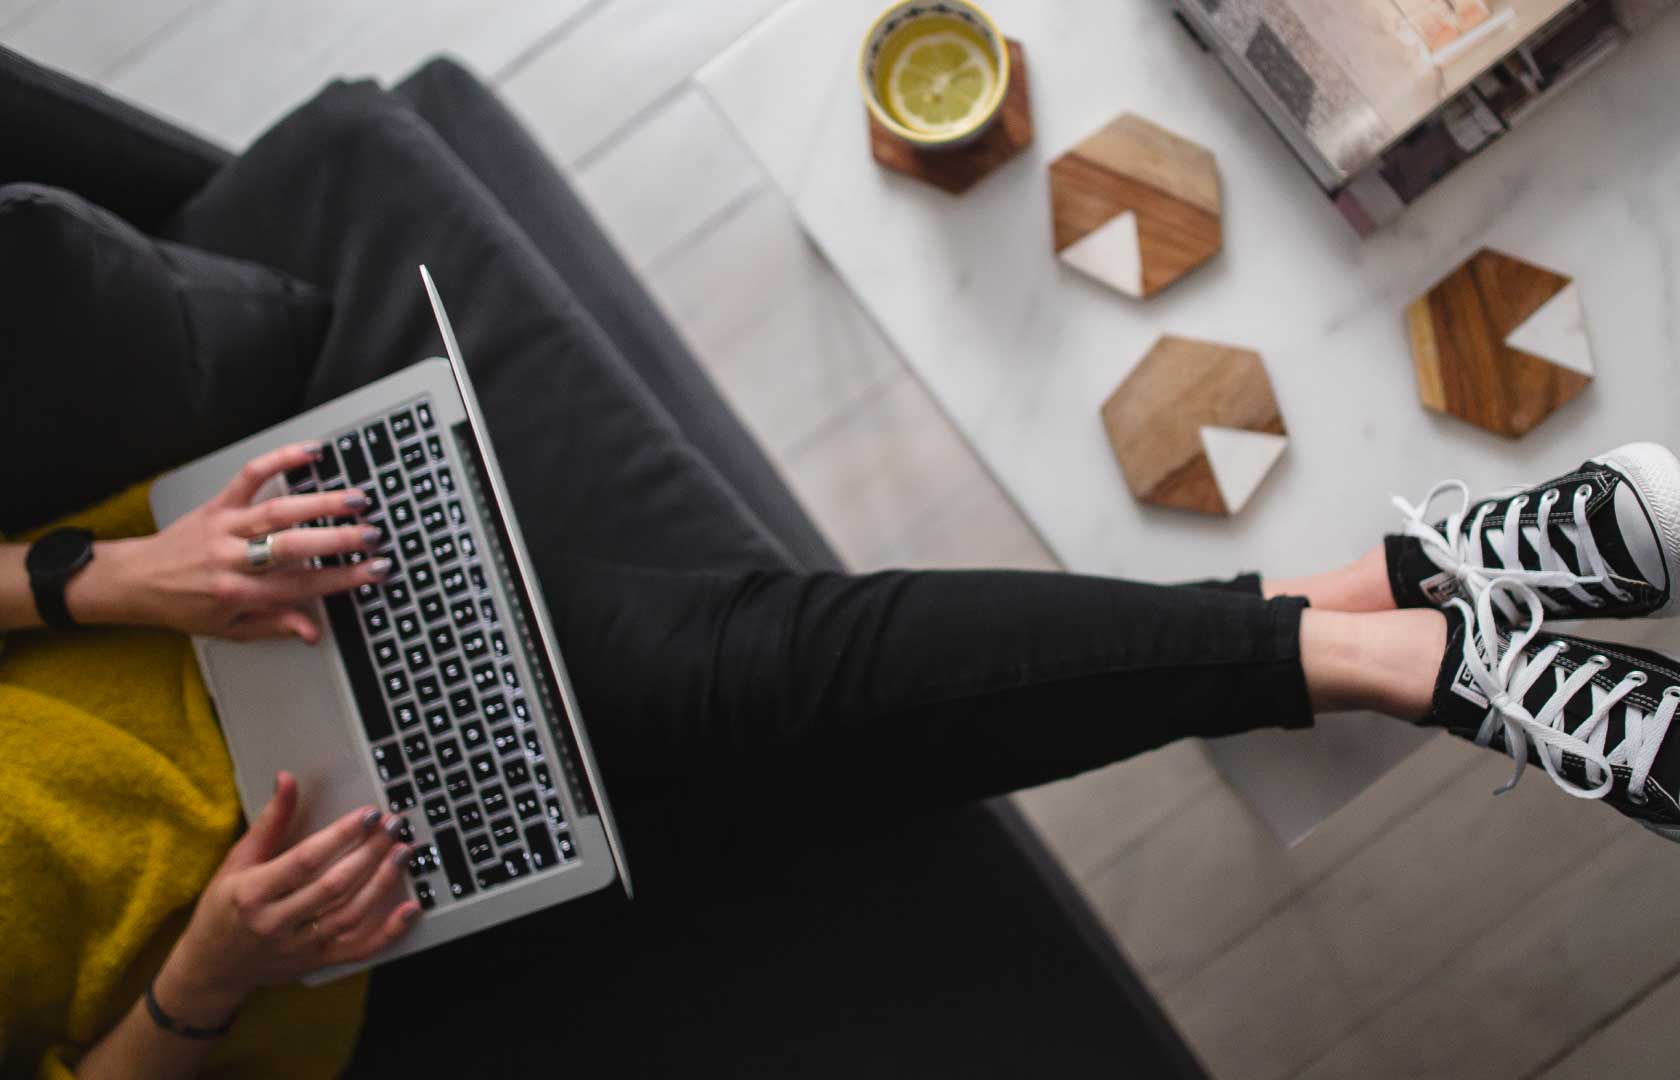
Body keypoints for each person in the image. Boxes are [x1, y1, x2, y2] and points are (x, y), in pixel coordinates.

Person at [5, 432, 1680, 1078]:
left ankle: (1422, 655)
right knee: (845, 727)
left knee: (803, 673)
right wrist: (205, 981)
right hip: (289, 924)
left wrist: (89, 575)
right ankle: (1435, 590)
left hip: (210, 627)